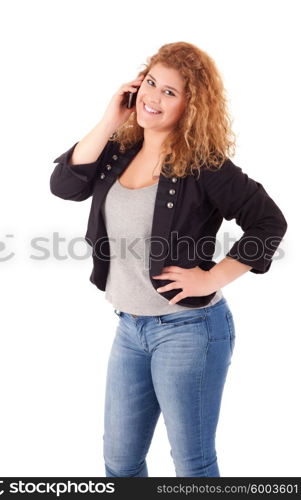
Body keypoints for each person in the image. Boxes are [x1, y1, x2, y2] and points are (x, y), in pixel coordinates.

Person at [50, 42, 288, 477]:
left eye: (170, 92)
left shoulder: (205, 165)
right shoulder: (118, 151)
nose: (153, 97)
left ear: (191, 107)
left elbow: (269, 223)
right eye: (151, 83)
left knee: (192, 465)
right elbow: (64, 185)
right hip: (129, 326)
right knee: (120, 463)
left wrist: (212, 277)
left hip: (190, 330)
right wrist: (109, 119)